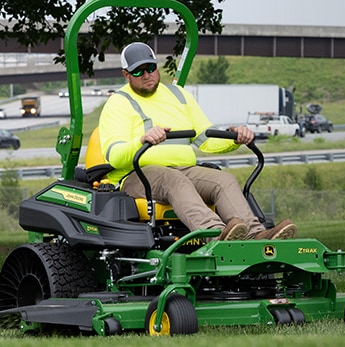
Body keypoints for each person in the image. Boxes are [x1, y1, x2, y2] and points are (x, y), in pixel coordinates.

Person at [98, 42, 295, 240]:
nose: (147, 75)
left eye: (150, 68)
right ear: (126, 74)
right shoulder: (118, 103)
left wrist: (235, 139)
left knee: (223, 180)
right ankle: (216, 236)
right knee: (173, 179)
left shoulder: (179, 95)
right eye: (139, 72)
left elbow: (206, 139)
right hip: (137, 176)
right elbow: (115, 157)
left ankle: (255, 235)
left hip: (182, 171)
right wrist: (142, 140)